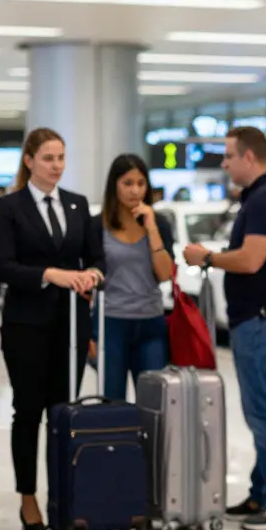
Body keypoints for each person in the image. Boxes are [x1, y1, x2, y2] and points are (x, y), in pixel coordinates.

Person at [182, 126, 266, 530]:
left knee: (263, 411)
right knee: (258, 410)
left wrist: (207, 257)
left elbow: (251, 260)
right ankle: (261, 492)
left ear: (250, 157)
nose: (225, 163)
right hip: (260, 319)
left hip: (265, 320)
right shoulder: (262, 196)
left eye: (229, 155)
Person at [0, 128, 104, 530]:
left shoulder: (76, 205)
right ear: (28, 161)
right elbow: (3, 265)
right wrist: (50, 274)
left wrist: (92, 274)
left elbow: (96, 257)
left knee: (63, 411)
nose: (56, 166)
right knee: (29, 411)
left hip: (70, 324)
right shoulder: (10, 207)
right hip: (26, 325)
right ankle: (28, 497)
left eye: (61, 157)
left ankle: (63, 492)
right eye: (48, 158)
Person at [90, 153, 174, 401]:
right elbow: (86, 278)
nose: (135, 190)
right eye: (127, 183)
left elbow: (165, 273)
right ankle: (115, 442)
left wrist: (151, 227)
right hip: (111, 322)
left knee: (153, 403)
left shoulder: (160, 224)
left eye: (141, 183)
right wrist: (88, 335)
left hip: (151, 322)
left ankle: (150, 443)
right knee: (112, 402)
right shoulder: (97, 225)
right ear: (114, 185)